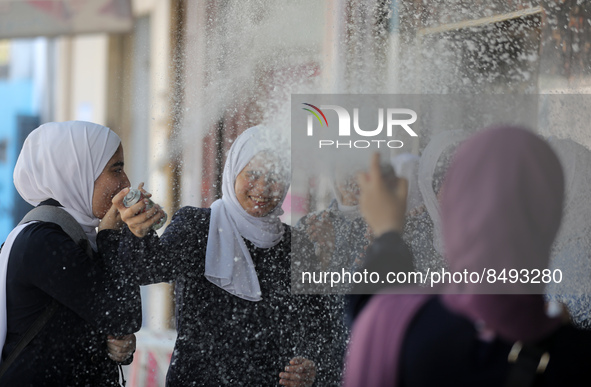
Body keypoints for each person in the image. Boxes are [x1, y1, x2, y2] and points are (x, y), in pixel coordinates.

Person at [344, 126, 591, 386]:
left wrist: (388, 233)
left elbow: (370, 309)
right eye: (439, 179)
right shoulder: (576, 352)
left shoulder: (399, 327)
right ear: (550, 210)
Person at [110, 125, 343, 386]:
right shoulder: (199, 226)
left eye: (275, 176)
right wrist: (138, 231)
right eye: (253, 175)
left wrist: (311, 366)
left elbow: (321, 327)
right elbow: (147, 270)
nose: (263, 188)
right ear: (233, 172)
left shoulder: (296, 245)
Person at [0, 121, 144, 386]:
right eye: (117, 169)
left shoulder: (77, 236)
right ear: (77, 172)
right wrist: (114, 237)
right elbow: (124, 315)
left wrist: (116, 345)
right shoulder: (43, 242)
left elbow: (100, 321)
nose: (126, 182)